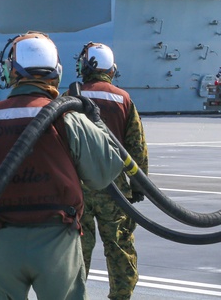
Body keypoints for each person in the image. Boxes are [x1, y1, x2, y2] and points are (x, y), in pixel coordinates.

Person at [0, 32, 126, 299]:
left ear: (11, 71)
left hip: (5, 242)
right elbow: (105, 172)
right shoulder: (69, 118)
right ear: (56, 71)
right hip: (58, 243)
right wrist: (96, 121)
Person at [74, 42, 149, 300]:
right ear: (112, 69)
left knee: (76, 249)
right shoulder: (123, 99)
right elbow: (136, 147)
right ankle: (121, 295)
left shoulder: (70, 97)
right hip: (114, 188)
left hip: (77, 188)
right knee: (119, 246)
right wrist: (139, 186)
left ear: (84, 67)